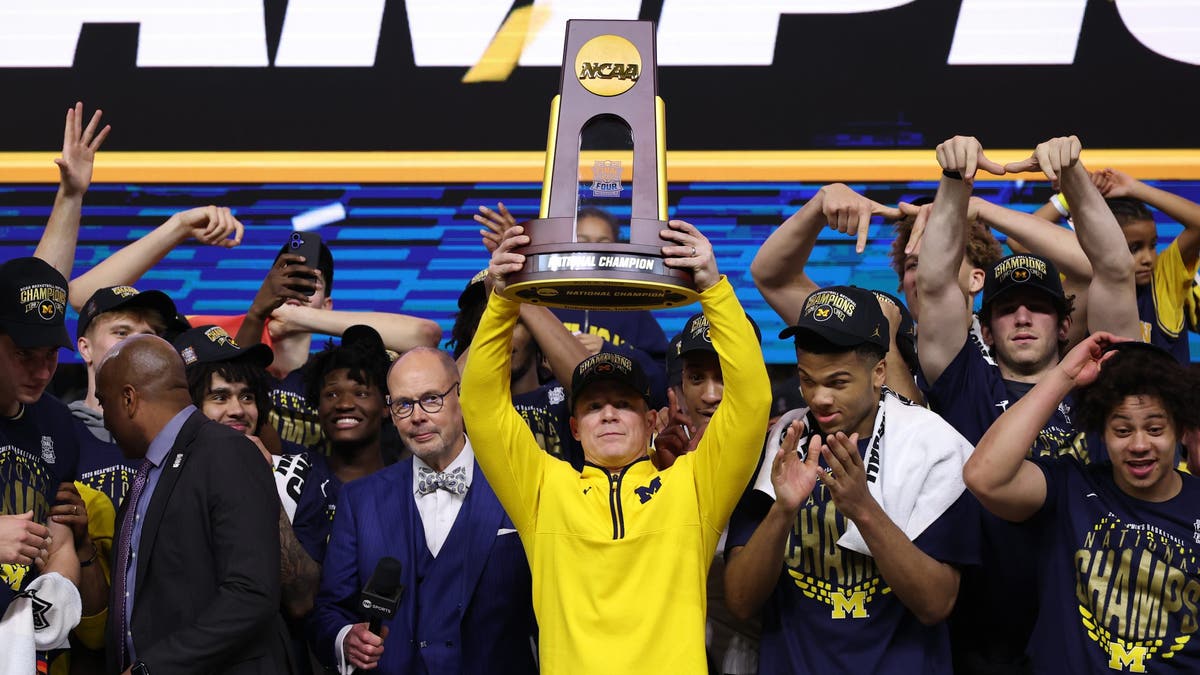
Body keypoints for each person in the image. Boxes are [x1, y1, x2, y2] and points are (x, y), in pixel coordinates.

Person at [461, 219, 771, 674]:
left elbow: (751, 401)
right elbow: (481, 403)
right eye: (593, 406)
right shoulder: (543, 490)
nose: (607, 413)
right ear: (575, 427)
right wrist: (505, 300)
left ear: (650, 421)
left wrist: (712, 288)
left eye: (623, 403)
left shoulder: (694, 486)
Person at [723, 285, 978, 673]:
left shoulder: (934, 445)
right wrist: (783, 510)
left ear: (878, 373)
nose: (819, 398)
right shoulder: (781, 441)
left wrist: (863, 508)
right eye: (807, 380)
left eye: (838, 382)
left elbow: (936, 603)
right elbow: (741, 601)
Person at [963, 333, 1200, 672]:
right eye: (1121, 430)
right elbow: (982, 476)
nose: (1139, 444)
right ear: (1101, 433)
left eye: (1155, 428)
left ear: (1178, 430)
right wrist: (1064, 376)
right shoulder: (1071, 484)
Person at [310, 347, 536, 675]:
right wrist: (346, 638)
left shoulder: (521, 485)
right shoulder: (359, 500)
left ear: (463, 396)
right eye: (403, 404)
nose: (417, 416)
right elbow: (329, 609)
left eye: (431, 398)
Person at [96, 335, 289, 674]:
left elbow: (251, 594)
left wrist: (152, 668)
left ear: (128, 399)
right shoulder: (147, 476)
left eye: (104, 402)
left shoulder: (227, 452)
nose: (104, 417)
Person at [233, 243, 442, 455]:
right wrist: (260, 313)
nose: (295, 291)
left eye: (309, 282)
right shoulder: (239, 351)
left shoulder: (335, 372)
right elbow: (235, 379)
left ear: (326, 305)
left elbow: (425, 335)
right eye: (287, 280)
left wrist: (297, 317)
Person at [750, 183, 924, 401]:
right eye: (913, 265)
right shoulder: (866, 325)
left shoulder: (976, 346)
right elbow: (775, 279)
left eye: (938, 262)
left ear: (977, 276)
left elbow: (913, 431)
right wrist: (818, 205)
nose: (925, 276)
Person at [0, 257, 85, 672]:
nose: (42, 371)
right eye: (23, 354)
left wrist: (58, 588)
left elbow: (60, 538)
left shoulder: (57, 421)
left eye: (51, 354)